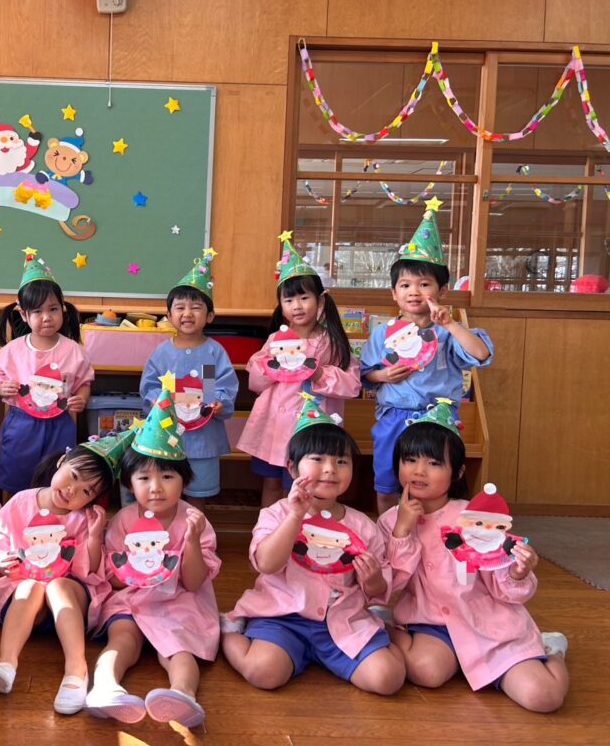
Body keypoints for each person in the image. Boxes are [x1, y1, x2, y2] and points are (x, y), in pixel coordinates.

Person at [378, 401, 569, 712]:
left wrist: (518, 573)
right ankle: (382, 624)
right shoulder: (389, 521)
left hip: (489, 626)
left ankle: (553, 649)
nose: (419, 471)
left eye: (434, 463)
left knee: (543, 697)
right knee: (426, 672)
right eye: (409, 459)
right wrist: (402, 530)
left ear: (458, 472)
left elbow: (507, 589)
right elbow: (391, 585)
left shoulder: (475, 518)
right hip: (431, 624)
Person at [221, 393, 405, 697]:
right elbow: (266, 564)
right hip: (282, 617)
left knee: (388, 679)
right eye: (318, 459)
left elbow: (377, 588)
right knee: (263, 671)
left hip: (342, 620)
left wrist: (373, 579)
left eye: (341, 461)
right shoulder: (276, 513)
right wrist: (295, 516)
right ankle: (229, 632)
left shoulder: (362, 525)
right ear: (292, 468)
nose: (330, 469)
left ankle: (382, 634)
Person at [86, 376, 220, 727]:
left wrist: (191, 542)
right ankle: (104, 688)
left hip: (178, 600)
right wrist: (133, 571)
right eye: (144, 479)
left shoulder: (194, 520)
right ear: (129, 484)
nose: (156, 488)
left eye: (167, 477)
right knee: (122, 640)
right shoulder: (124, 520)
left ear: (185, 480)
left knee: (178, 647)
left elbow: (194, 583)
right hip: (132, 599)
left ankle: (183, 695)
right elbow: (114, 580)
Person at [0, 431, 133, 715]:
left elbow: (90, 570)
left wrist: (93, 536)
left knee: (57, 586)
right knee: (29, 587)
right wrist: (0, 558)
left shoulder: (84, 519)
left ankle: (76, 670)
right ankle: (6, 662)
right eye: (73, 476)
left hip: (69, 602)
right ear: (62, 461)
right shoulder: (22, 501)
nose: (73, 491)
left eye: (87, 491)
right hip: (27, 602)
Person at [360, 199, 493, 515]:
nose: (414, 291)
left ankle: (430, 537)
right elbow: (364, 374)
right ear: (394, 293)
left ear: (442, 290)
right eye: (405, 285)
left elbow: (482, 353)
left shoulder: (449, 332)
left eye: (424, 284)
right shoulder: (383, 333)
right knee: (387, 484)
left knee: (433, 488)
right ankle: (390, 536)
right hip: (393, 418)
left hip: (438, 420)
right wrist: (382, 376)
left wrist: (450, 325)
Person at [237, 231, 360, 507]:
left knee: (303, 483)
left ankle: (300, 527)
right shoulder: (275, 340)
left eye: (304, 298)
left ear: (320, 301)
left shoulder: (331, 342)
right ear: (281, 306)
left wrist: (318, 373)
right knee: (271, 482)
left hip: (312, 427)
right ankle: (269, 526)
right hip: (275, 426)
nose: (297, 306)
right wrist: (268, 366)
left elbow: (352, 384)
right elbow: (255, 382)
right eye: (289, 300)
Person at [0, 247, 93, 499]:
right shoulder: (13, 350)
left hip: (60, 424)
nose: (47, 317)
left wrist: (81, 398)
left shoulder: (74, 350)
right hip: (22, 423)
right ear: (24, 315)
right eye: (37, 311)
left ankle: (53, 515)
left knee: (57, 476)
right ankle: (13, 514)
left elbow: (84, 381)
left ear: (62, 309)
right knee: (17, 474)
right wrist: (1, 387)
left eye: (53, 309)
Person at [140, 249, 238, 510]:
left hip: (203, 437)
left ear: (209, 316)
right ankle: (166, 530)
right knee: (165, 488)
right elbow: (151, 387)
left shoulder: (213, 352)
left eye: (196, 308)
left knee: (197, 492)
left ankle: (196, 530)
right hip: (167, 433)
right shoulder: (162, 353)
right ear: (169, 315)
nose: (187, 313)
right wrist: (155, 401)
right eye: (180, 308)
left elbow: (215, 387)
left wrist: (218, 402)